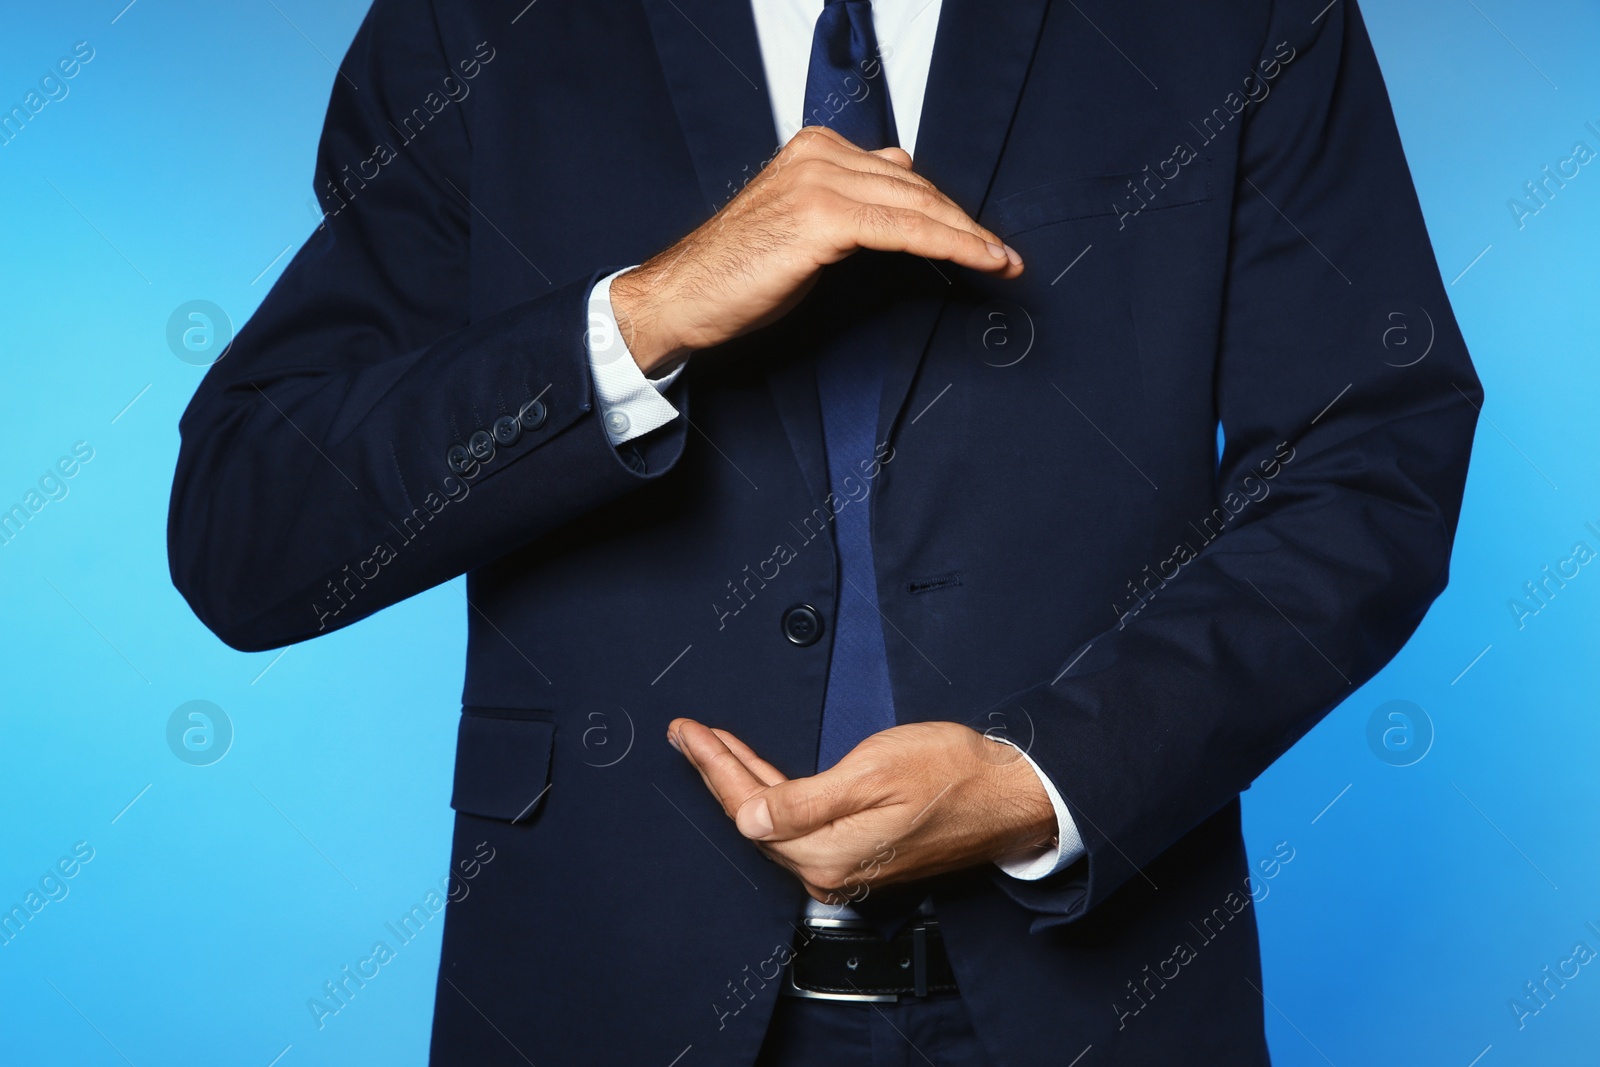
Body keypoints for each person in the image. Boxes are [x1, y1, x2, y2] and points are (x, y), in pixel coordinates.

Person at [168, 0, 1480, 1062]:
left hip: (1101, 1001)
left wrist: (1045, 784)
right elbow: (249, 527)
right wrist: (639, 319)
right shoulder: (477, 27)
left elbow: (1370, 453)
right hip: (601, 995)